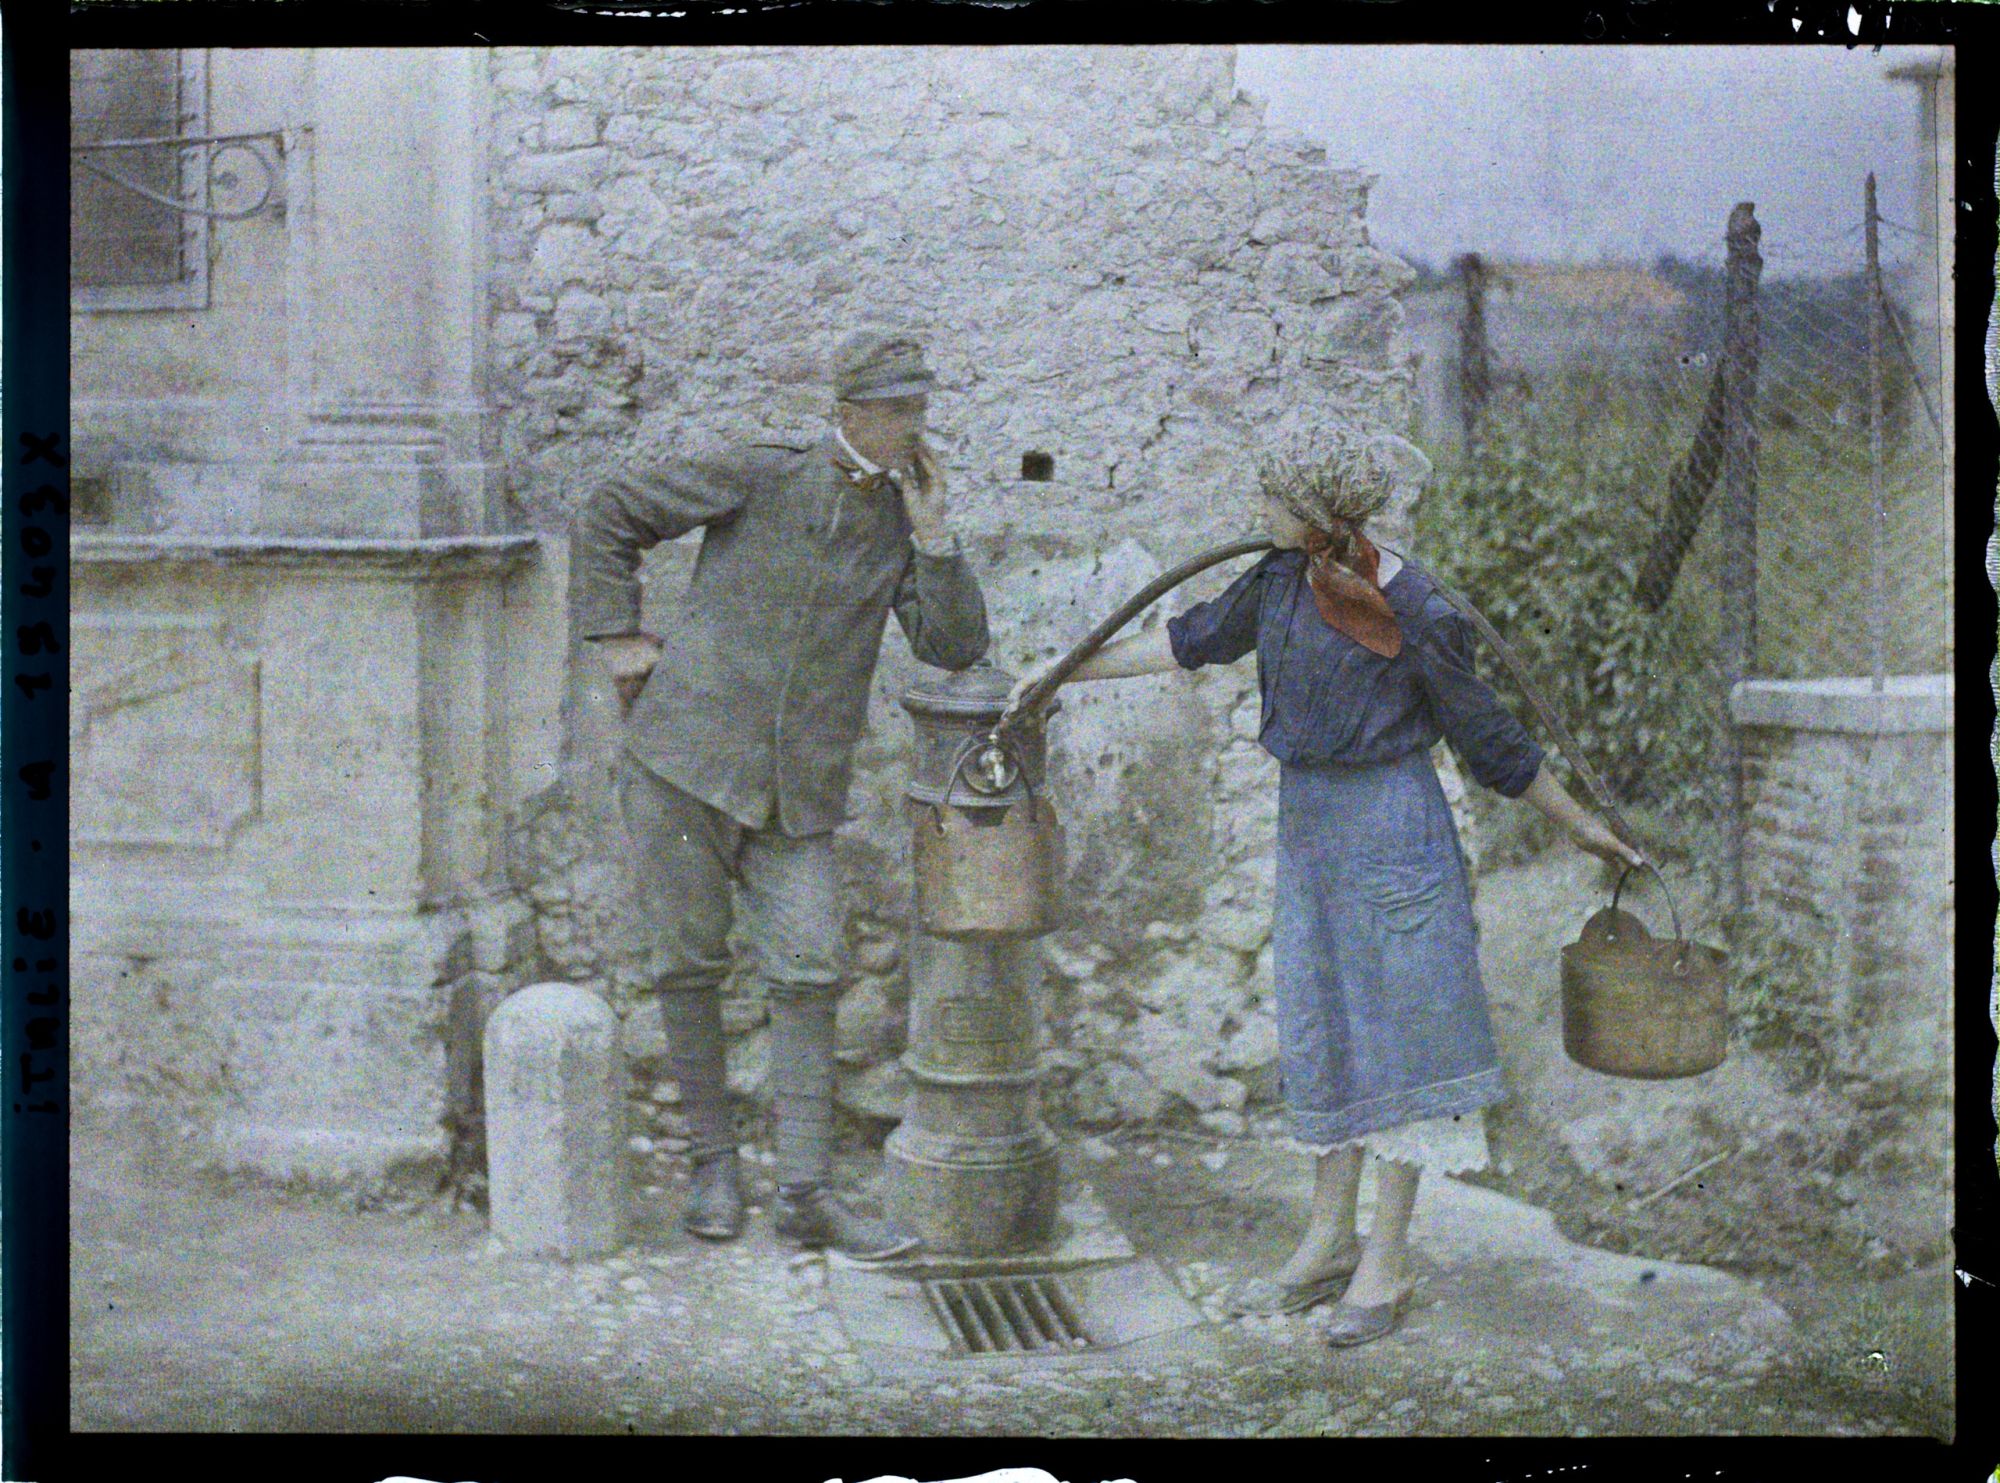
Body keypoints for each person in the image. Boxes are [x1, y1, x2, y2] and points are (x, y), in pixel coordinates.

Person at [1003, 427, 1643, 1346]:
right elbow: (1182, 642)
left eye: (1272, 496)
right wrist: (1057, 673)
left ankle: (1386, 1260)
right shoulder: (1273, 580)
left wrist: (1581, 825)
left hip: (1391, 832)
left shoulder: (1415, 605)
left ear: (1314, 507)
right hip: (1310, 827)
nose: (1259, 510)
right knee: (1325, 1023)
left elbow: (1493, 740)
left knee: (1402, 1043)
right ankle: (1325, 1240)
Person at [570, 330, 991, 1262]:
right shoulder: (762, 476)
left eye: (920, 409)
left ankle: (804, 1192)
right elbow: (608, 510)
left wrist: (936, 535)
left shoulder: (897, 518)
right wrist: (617, 636)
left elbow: (954, 646)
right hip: (683, 762)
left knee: (808, 969)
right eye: (896, 412)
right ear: (848, 414)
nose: (914, 428)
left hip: (797, 791)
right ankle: (714, 1169)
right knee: (687, 964)